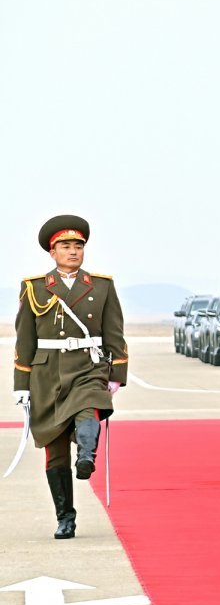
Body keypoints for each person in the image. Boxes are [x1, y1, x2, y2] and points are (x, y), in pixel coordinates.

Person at [13, 214, 128, 539]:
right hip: (47, 373)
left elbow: (114, 332)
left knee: (88, 406)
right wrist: (21, 385)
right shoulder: (34, 287)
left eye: (78, 245)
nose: (74, 251)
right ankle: (65, 517)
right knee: (55, 450)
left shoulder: (102, 285)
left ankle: (87, 457)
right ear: (53, 252)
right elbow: (24, 340)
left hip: (87, 366)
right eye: (66, 246)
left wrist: (116, 372)